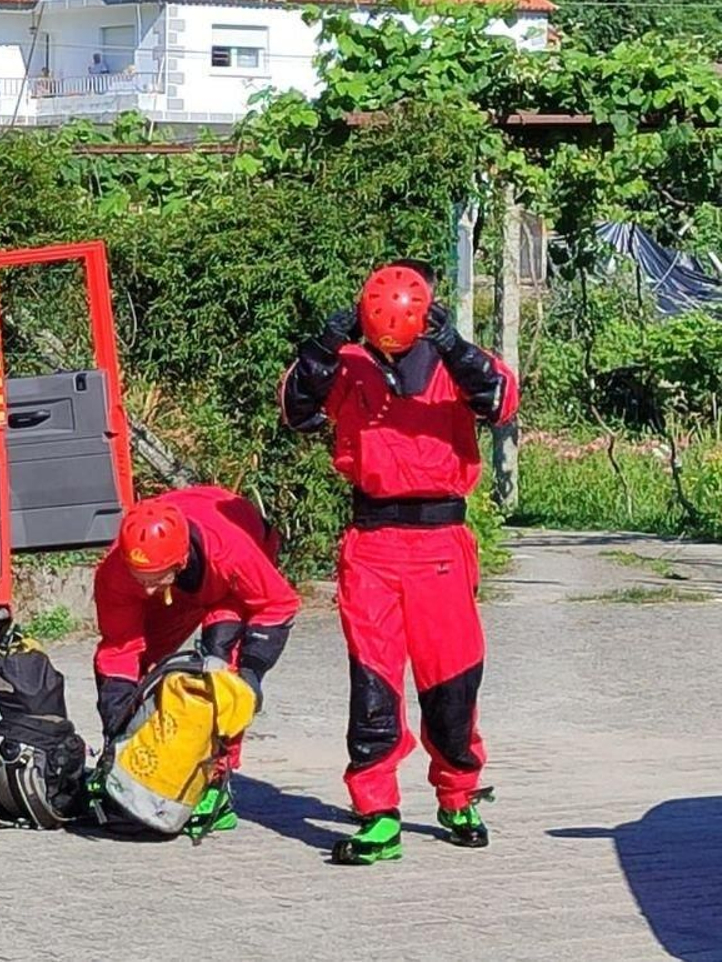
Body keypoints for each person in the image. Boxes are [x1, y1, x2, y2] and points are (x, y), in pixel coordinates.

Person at [279, 259, 519, 865]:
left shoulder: (455, 363)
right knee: (374, 685)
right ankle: (377, 812)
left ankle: (458, 793)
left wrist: (453, 345)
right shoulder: (350, 367)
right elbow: (296, 410)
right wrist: (322, 346)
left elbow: (500, 402)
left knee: (451, 681)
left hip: (440, 543)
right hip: (373, 544)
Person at [93, 484, 300, 839]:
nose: (145, 590)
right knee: (143, 673)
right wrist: (117, 719)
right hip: (179, 586)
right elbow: (120, 648)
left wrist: (251, 671)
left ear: (180, 559)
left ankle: (216, 787)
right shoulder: (117, 574)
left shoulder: (233, 552)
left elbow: (277, 605)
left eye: (152, 579)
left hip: (231, 578)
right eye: (140, 579)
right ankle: (138, 769)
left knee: (219, 678)